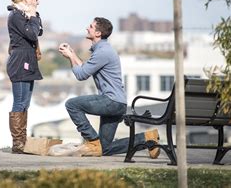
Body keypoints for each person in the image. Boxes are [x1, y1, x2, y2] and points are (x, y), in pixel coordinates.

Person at [58, 17, 160, 157]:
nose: (87, 28)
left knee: (72, 105)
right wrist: (72, 53)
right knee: (104, 149)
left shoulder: (102, 52)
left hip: (111, 102)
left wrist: (70, 57)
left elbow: (81, 75)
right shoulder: (103, 50)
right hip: (117, 103)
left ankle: (92, 141)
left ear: (98, 33)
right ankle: (147, 138)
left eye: (91, 27)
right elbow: (85, 68)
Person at [6, 0, 43, 153]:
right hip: (20, 61)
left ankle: (22, 141)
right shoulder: (16, 15)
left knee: (25, 103)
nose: (38, 3)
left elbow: (39, 30)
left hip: (28, 61)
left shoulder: (26, 15)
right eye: (36, 0)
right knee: (20, 102)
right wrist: (33, 16)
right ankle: (18, 143)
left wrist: (33, 16)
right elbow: (32, 34)